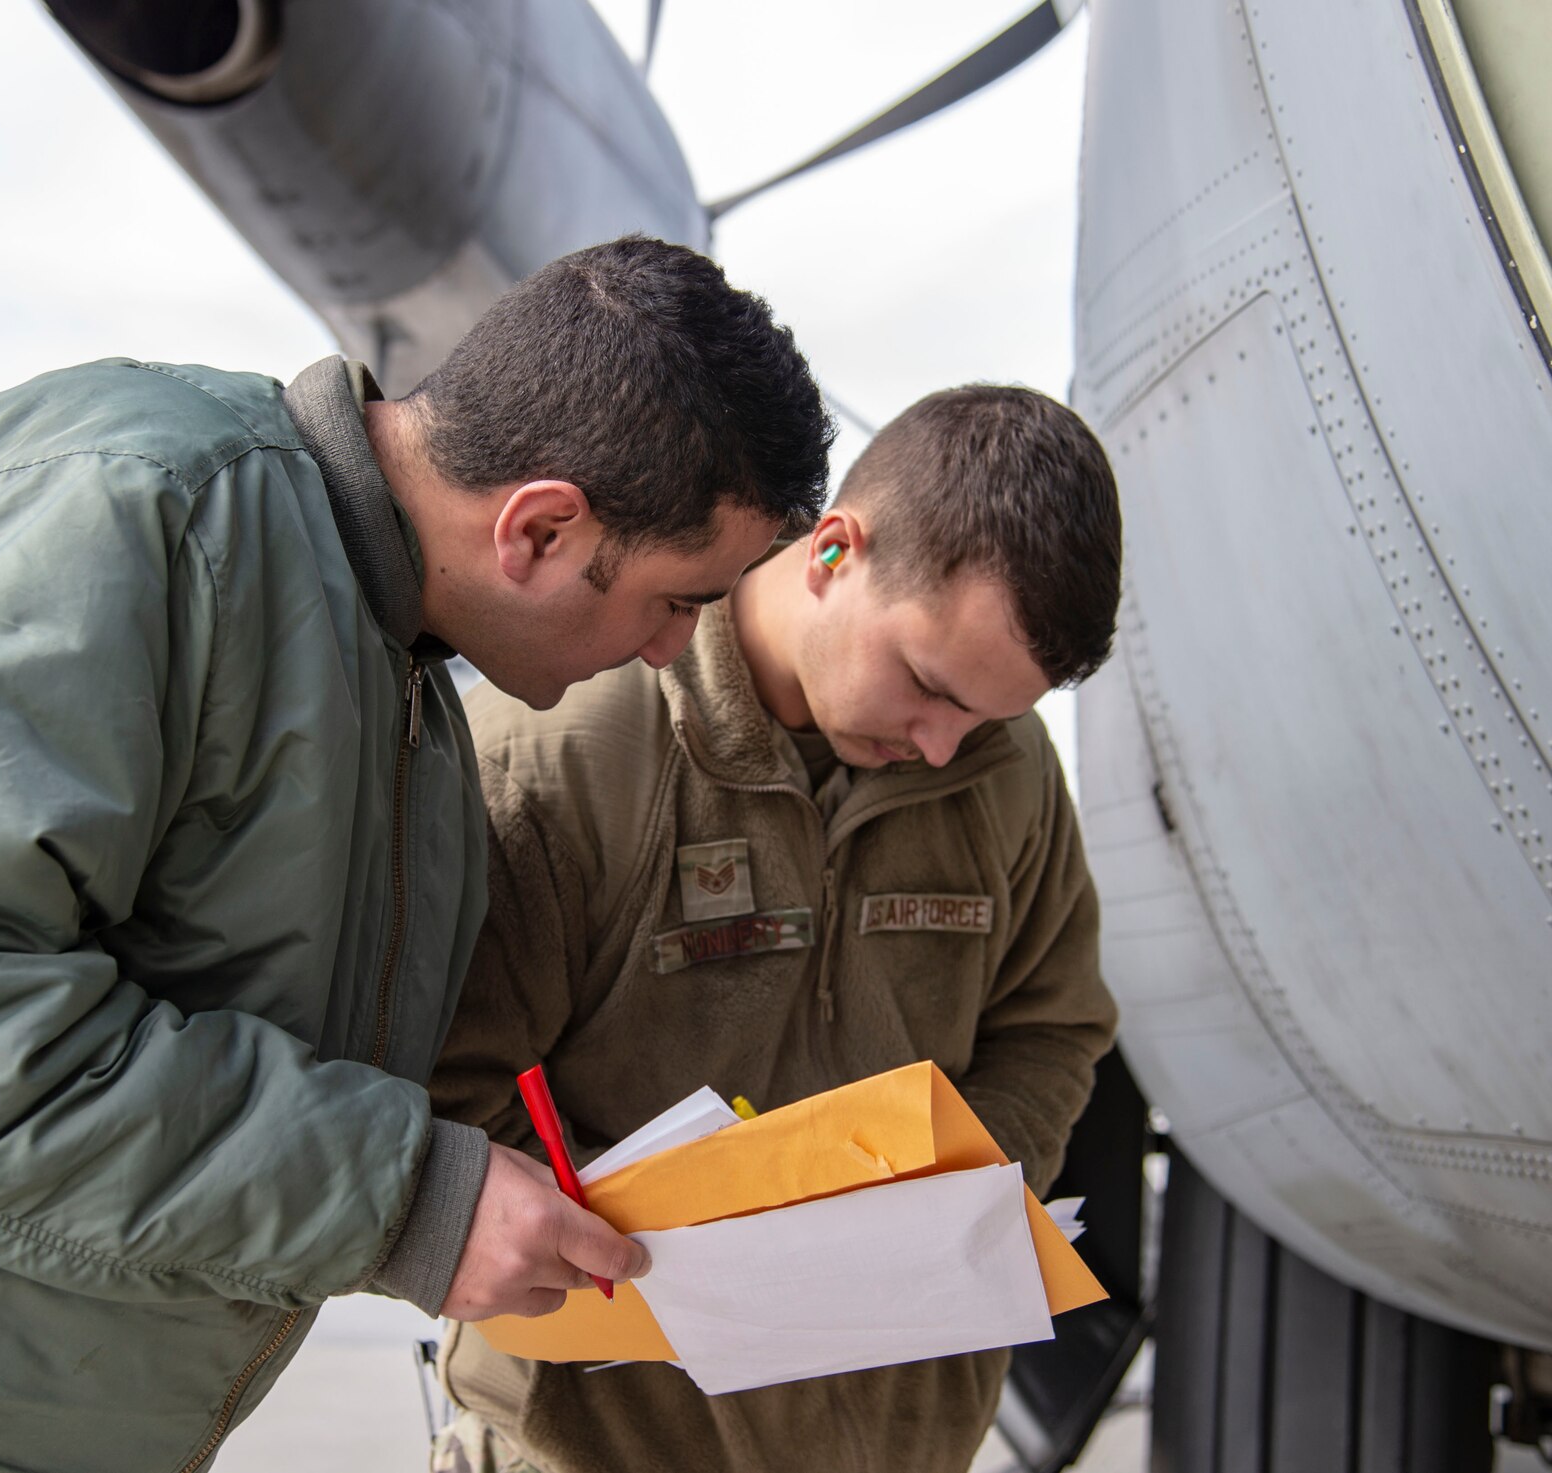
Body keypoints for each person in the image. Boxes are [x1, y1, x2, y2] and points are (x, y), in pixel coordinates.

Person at [0, 237, 834, 1473]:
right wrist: (397, 1198)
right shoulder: (129, 511)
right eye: (678, 598)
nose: (673, 650)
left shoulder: (403, 693)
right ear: (540, 530)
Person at [428, 384, 1123, 1473]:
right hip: (601, 1443)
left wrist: (951, 1206)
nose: (944, 748)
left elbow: (1051, 1024)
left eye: (988, 716)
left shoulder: (1004, 770)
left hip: (897, 1442)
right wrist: (674, 1260)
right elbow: (442, 1099)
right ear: (834, 553)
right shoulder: (564, 745)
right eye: (926, 686)